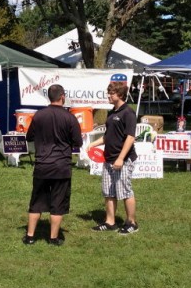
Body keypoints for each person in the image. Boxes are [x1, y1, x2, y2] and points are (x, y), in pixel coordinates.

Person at [23, 84, 83, 245]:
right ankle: (53, 238)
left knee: (36, 202)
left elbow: (29, 137)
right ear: (62, 96)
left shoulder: (39, 116)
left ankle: (30, 236)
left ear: (49, 97)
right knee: (58, 203)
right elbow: (78, 142)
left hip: (42, 165)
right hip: (61, 166)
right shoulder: (70, 117)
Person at [86, 81, 139, 234]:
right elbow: (107, 136)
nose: (108, 95)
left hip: (122, 159)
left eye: (111, 93)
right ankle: (110, 222)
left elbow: (130, 138)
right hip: (108, 159)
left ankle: (131, 223)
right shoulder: (112, 112)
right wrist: (93, 144)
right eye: (108, 92)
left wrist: (121, 158)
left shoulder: (128, 113)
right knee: (108, 191)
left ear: (120, 95)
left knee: (125, 191)